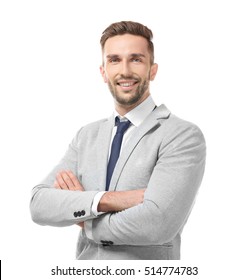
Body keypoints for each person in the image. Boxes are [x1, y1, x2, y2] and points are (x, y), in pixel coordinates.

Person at [30, 21, 206, 260]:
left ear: (152, 70)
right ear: (103, 72)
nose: (124, 71)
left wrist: (84, 218)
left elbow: (158, 223)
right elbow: (39, 204)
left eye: (135, 59)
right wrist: (108, 200)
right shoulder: (87, 136)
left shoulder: (181, 135)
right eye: (114, 60)